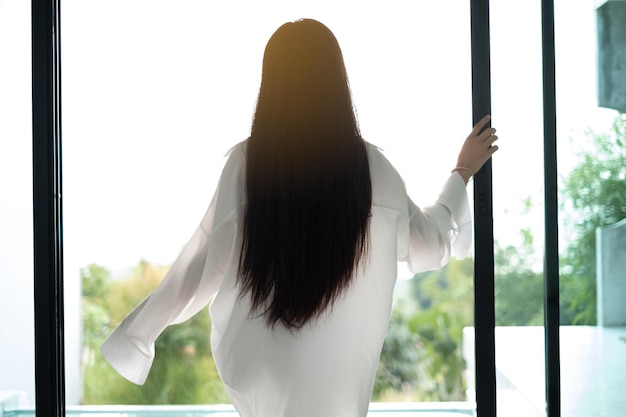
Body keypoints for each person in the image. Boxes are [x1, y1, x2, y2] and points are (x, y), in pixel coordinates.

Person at [101, 18, 498, 417]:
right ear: (336, 83)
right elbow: (430, 245)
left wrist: (139, 335)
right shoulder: (373, 169)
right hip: (337, 392)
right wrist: (462, 172)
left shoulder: (248, 165)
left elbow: (201, 265)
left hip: (262, 382)